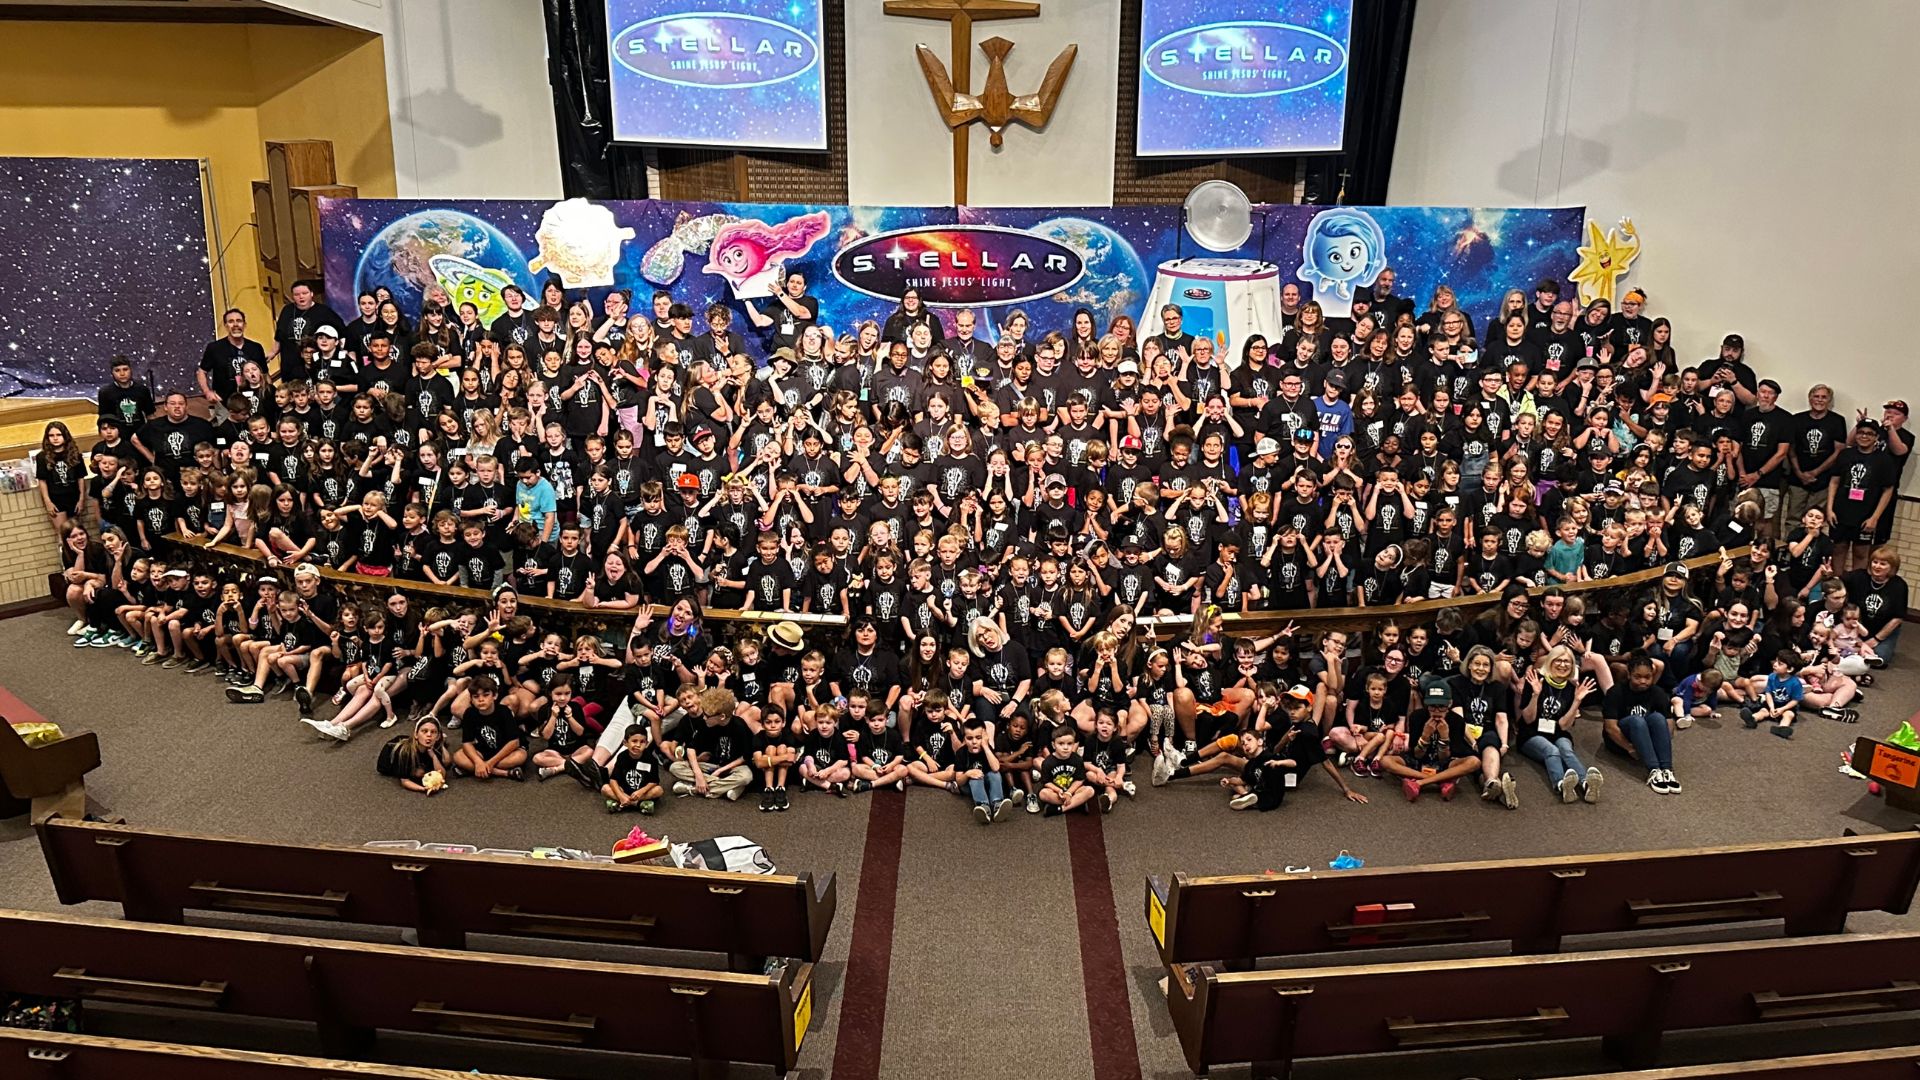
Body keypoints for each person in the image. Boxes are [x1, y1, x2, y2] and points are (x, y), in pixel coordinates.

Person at [1602, 655, 1682, 794]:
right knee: (1636, 720)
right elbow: (1610, 728)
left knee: (1658, 717)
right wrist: (1630, 748)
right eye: (1637, 677)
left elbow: (1668, 723)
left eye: (1647, 677)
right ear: (1629, 674)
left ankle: (1666, 770)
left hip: (1645, 740)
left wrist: (1660, 745)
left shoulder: (1658, 692)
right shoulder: (1616, 692)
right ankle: (1654, 770)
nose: (1643, 681)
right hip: (1620, 741)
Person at [603, 723, 665, 813]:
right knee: (605, 788)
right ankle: (638, 804)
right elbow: (613, 779)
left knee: (659, 790)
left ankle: (622, 804)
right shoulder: (621, 757)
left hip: (641, 793)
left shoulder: (651, 759)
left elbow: (654, 781)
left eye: (642, 742)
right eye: (634, 741)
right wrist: (621, 795)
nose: (638, 745)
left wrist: (641, 792)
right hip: (624, 791)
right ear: (625, 743)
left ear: (647, 743)